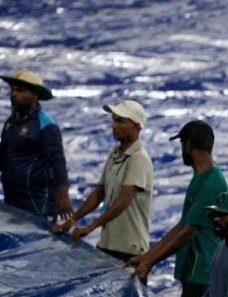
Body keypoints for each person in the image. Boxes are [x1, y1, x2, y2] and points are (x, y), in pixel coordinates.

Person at [127, 120, 227, 297]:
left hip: (202, 272)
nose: (181, 150)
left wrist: (150, 262)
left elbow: (188, 232)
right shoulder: (201, 177)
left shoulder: (210, 182)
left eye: (182, 144)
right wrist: (148, 256)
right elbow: (183, 225)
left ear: (189, 145)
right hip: (195, 271)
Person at [51, 100, 153, 260]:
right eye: (113, 120)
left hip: (129, 249)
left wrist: (91, 227)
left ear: (137, 126)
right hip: (108, 244)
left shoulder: (138, 158)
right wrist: (71, 221)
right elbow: (99, 193)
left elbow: (124, 200)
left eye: (120, 121)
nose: (113, 125)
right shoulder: (115, 154)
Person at [0, 69, 70, 220]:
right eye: (12, 90)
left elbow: (58, 162)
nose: (13, 94)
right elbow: (3, 155)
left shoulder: (46, 125)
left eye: (20, 90)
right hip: (12, 199)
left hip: (37, 204)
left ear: (35, 95)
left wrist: (63, 196)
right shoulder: (11, 122)